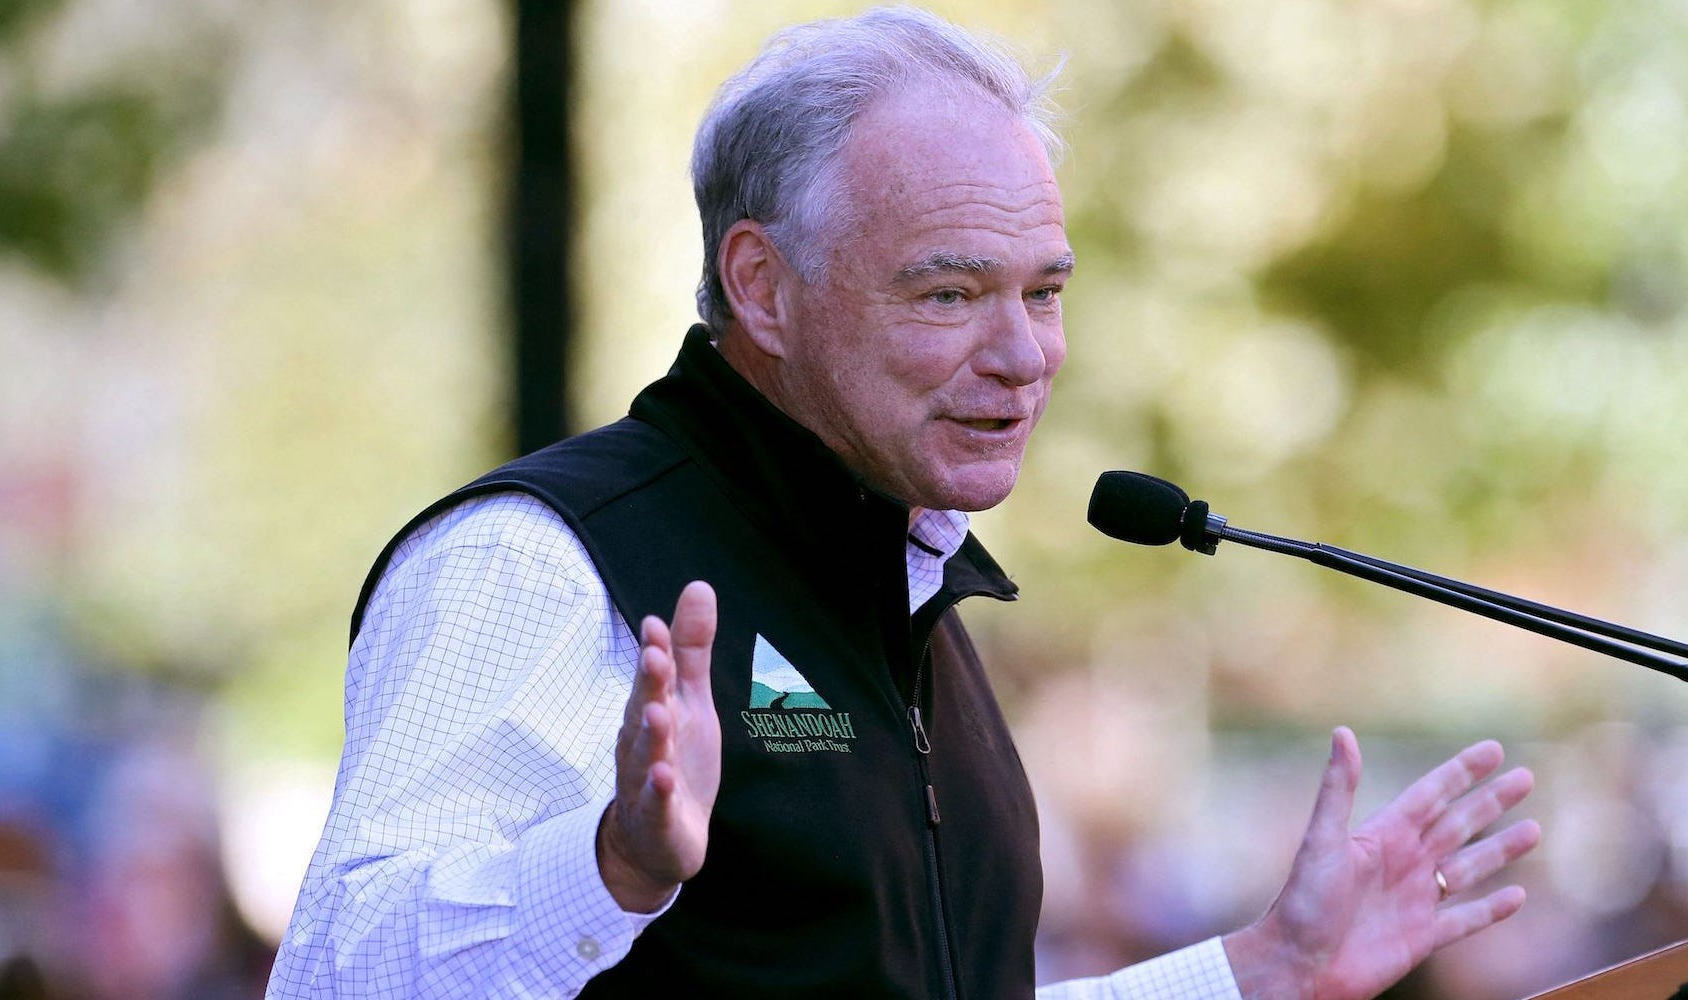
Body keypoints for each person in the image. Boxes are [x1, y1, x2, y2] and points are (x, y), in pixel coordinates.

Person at [267, 8, 1540, 998]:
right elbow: (331, 978)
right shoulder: (542, 562)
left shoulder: (906, 579)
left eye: (1042, 292)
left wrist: (1267, 969)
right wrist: (609, 866)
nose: (1024, 353)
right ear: (761, 286)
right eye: (947, 294)